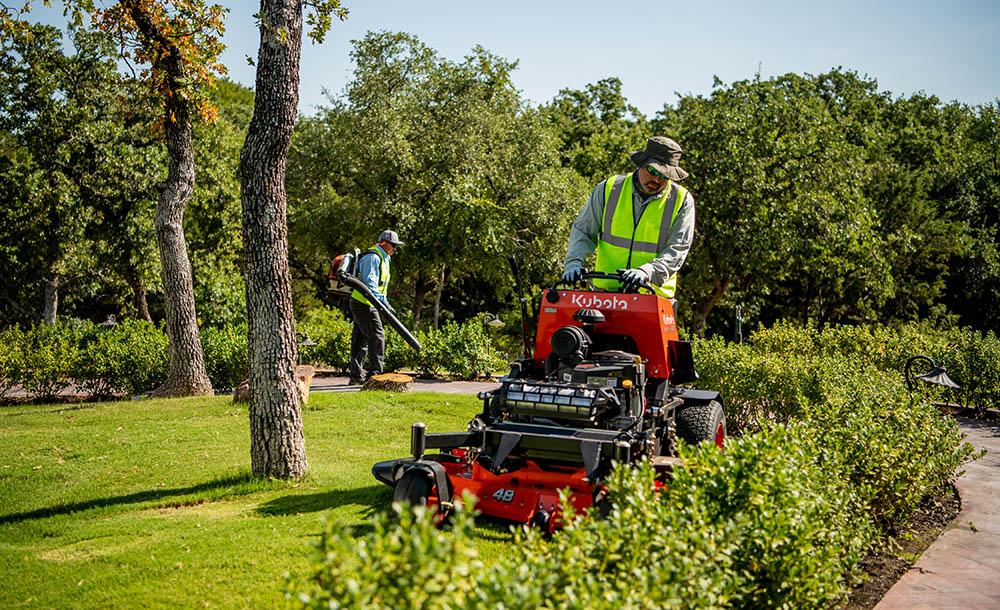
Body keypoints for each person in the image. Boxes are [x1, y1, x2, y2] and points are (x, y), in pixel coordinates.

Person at [562, 136, 695, 298]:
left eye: (665, 175)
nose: (657, 179)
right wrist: (573, 263)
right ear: (641, 164)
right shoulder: (608, 189)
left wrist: (648, 272)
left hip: (653, 297)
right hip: (606, 294)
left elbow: (677, 249)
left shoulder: (682, 201)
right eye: (653, 171)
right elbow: (583, 231)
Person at [348, 230, 403, 385]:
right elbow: (370, 284)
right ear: (384, 243)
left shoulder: (384, 259)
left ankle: (356, 376)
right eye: (393, 245)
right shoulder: (373, 257)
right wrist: (382, 303)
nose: (395, 248)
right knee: (377, 336)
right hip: (365, 303)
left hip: (365, 302)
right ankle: (375, 376)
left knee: (360, 340)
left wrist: (385, 301)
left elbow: (380, 286)